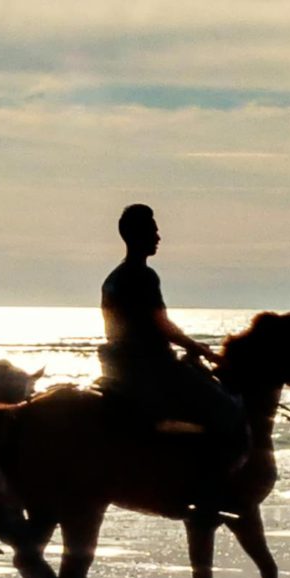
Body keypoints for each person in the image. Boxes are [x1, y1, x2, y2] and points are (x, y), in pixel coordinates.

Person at [98, 203, 247, 493]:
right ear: (137, 235)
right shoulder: (143, 275)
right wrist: (201, 350)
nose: (158, 236)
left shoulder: (112, 279)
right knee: (226, 410)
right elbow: (160, 325)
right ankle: (208, 492)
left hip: (119, 368)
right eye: (153, 230)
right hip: (151, 368)